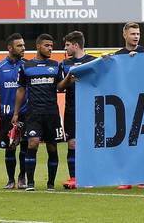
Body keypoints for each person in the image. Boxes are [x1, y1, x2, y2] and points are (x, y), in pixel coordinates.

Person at [10, 34, 64, 191]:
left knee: (52, 148)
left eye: (52, 46)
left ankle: (51, 184)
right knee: (32, 144)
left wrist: (68, 78)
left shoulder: (56, 65)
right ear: (38, 46)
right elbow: (20, 90)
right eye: (47, 45)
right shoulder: (26, 66)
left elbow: (60, 87)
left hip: (52, 113)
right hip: (33, 113)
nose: (50, 49)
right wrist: (16, 113)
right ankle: (30, 183)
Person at [0, 33, 27, 189]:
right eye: (19, 45)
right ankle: (11, 180)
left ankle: (22, 178)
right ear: (10, 48)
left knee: (26, 147)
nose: (23, 48)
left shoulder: (27, 66)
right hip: (7, 114)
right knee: (9, 148)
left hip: (25, 113)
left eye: (23, 45)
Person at [56, 31, 96, 189]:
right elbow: (59, 87)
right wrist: (68, 78)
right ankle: (74, 178)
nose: (65, 48)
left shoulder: (93, 61)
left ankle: (89, 177)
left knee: (89, 144)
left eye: (67, 45)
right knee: (72, 144)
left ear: (75, 45)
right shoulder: (64, 64)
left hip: (91, 109)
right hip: (71, 109)